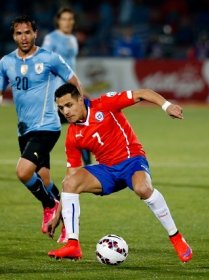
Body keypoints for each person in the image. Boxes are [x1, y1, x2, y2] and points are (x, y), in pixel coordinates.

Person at [47, 83, 193, 263]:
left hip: (132, 161)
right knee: (69, 183)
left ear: (80, 100)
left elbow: (143, 93)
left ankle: (176, 237)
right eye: (61, 108)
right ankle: (73, 244)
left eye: (69, 105)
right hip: (107, 171)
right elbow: (71, 178)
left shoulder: (104, 104)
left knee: (142, 188)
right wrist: (57, 215)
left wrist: (167, 106)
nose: (65, 112)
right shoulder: (72, 136)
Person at [0, 15, 86, 243]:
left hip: (47, 126)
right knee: (44, 181)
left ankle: (51, 205)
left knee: (23, 172)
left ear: (35, 33)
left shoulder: (49, 58)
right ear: (13, 36)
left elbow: (74, 82)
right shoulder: (6, 62)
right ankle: (67, 222)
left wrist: (80, 110)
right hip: (24, 130)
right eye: (19, 33)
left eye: (27, 32)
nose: (24, 37)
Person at [42, 7, 92, 167]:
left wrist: (77, 87)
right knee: (49, 130)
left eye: (70, 19)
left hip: (70, 91)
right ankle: (36, 160)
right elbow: (44, 63)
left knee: (82, 123)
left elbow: (71, 68)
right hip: (55, 94)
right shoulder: (51, 38)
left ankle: (88, 166)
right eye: (64, 19)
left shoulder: (72, 39)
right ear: (58, 21)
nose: (67, 22)